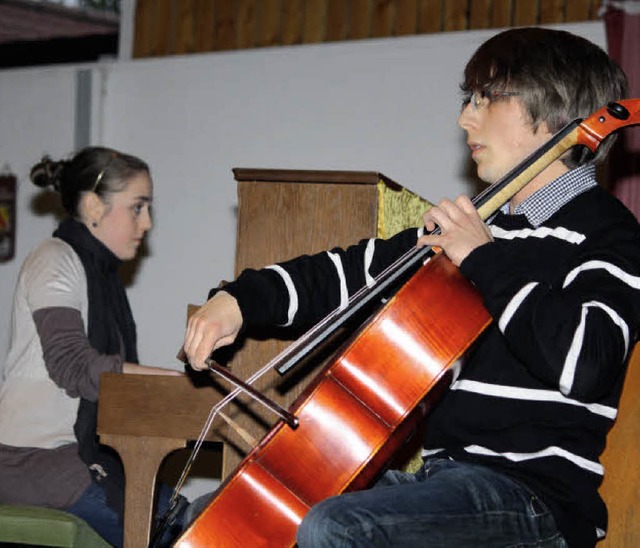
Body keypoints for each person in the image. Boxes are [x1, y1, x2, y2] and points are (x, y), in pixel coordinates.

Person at [182, 27, 640, 547]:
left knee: (338, 530)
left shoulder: (608, 234)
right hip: (444, 484)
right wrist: (240, 301)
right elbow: (345, 274)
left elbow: (585, 362)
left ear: (553, 112)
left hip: (534, 501)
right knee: (221, 517)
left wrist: (484, 257)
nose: (464, 118)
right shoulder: (478, 225)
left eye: (485, 99)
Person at [0, 146, 185, 547]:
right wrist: (175, 383)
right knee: (180, 531)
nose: (148, 222)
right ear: (92, 206)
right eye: (138, 207)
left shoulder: (103, 276)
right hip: (38, 463)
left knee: (194, 515)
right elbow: (71, 365)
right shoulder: (54, 259)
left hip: (79, 461)